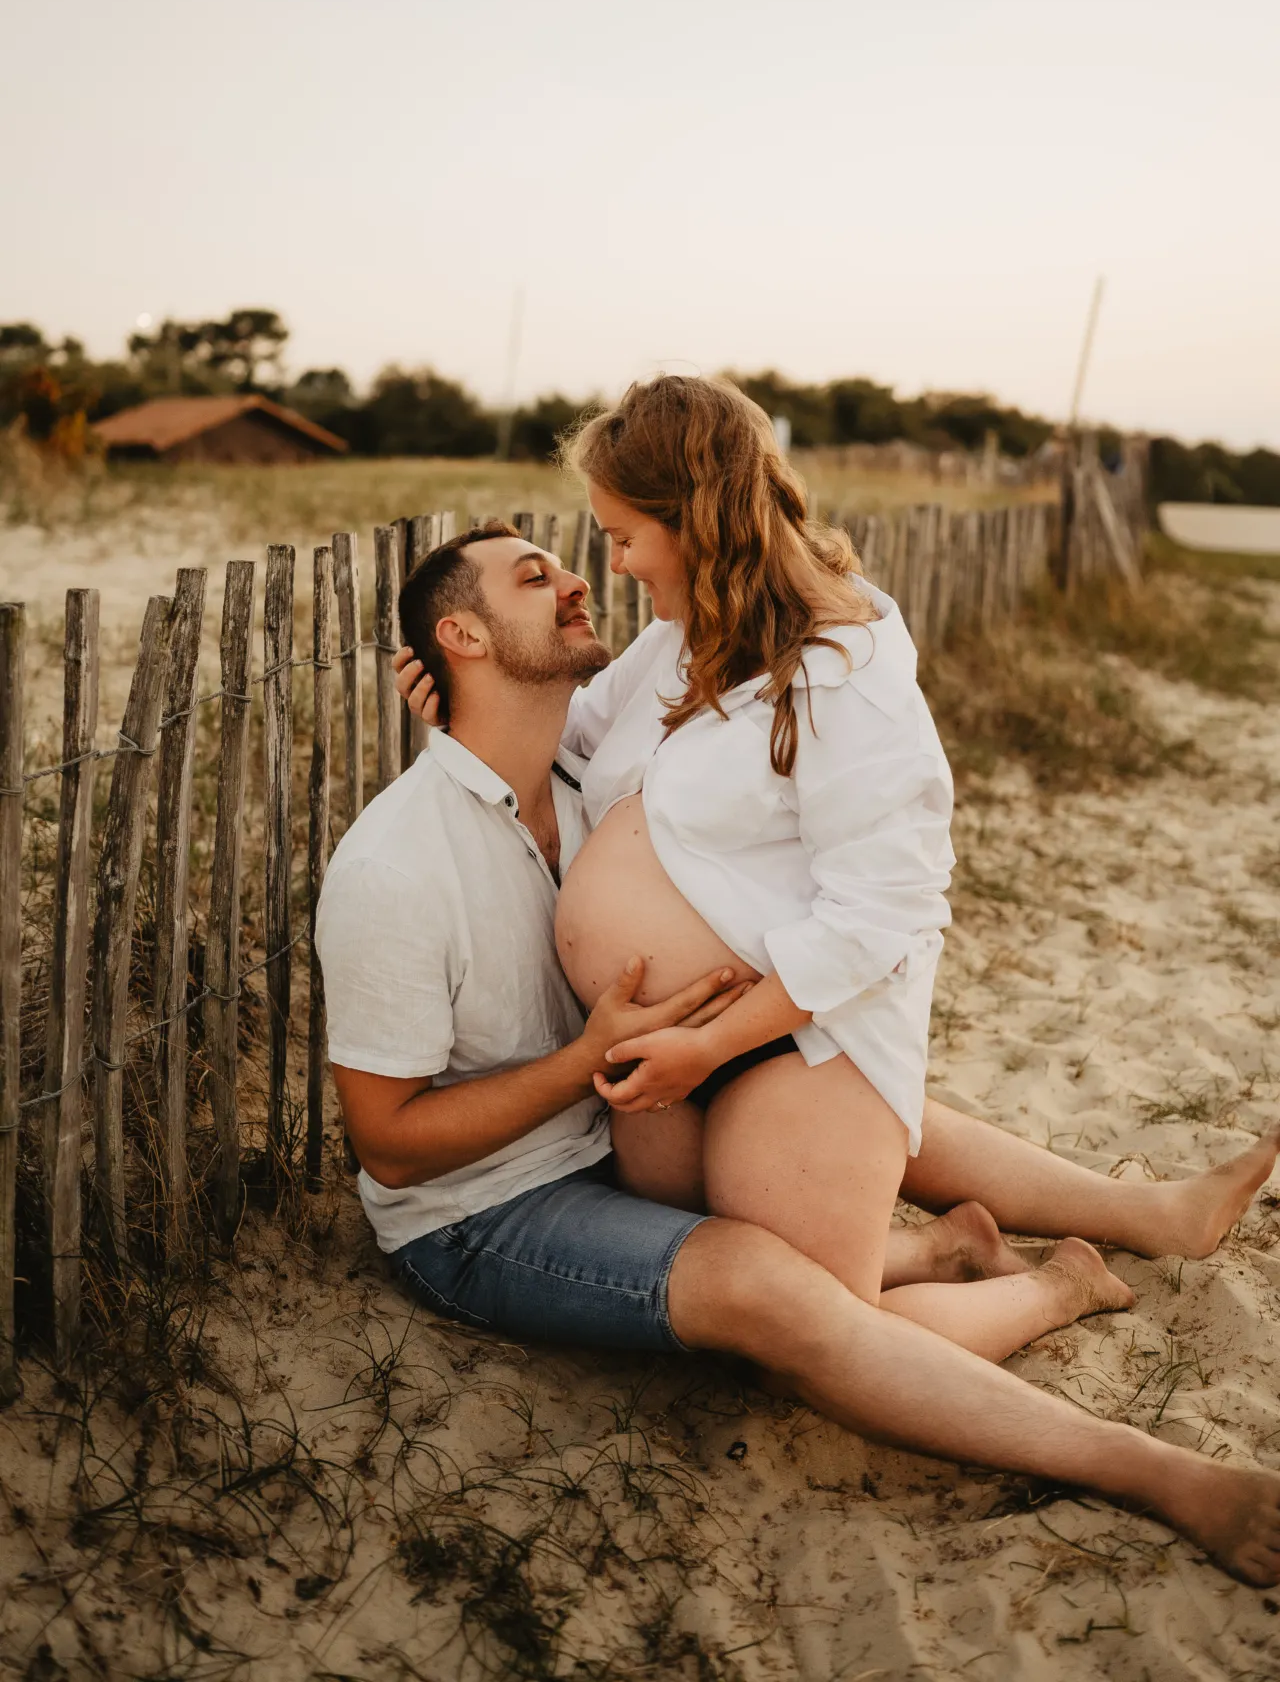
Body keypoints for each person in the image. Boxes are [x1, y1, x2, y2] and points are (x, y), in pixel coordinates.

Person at [322, 522, 1280, 1586]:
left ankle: (1133, 1215)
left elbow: (740, 628)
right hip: (483, 1212)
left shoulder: (585, 780)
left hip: (614, 1120)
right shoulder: (397, 864)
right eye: (533, 576)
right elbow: (391, 1148)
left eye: (573, 555)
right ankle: (1133, 1439)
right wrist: (585, 1056)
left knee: (827, 1072)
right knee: (771, 1294)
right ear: (461, 632)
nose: (577, 577)